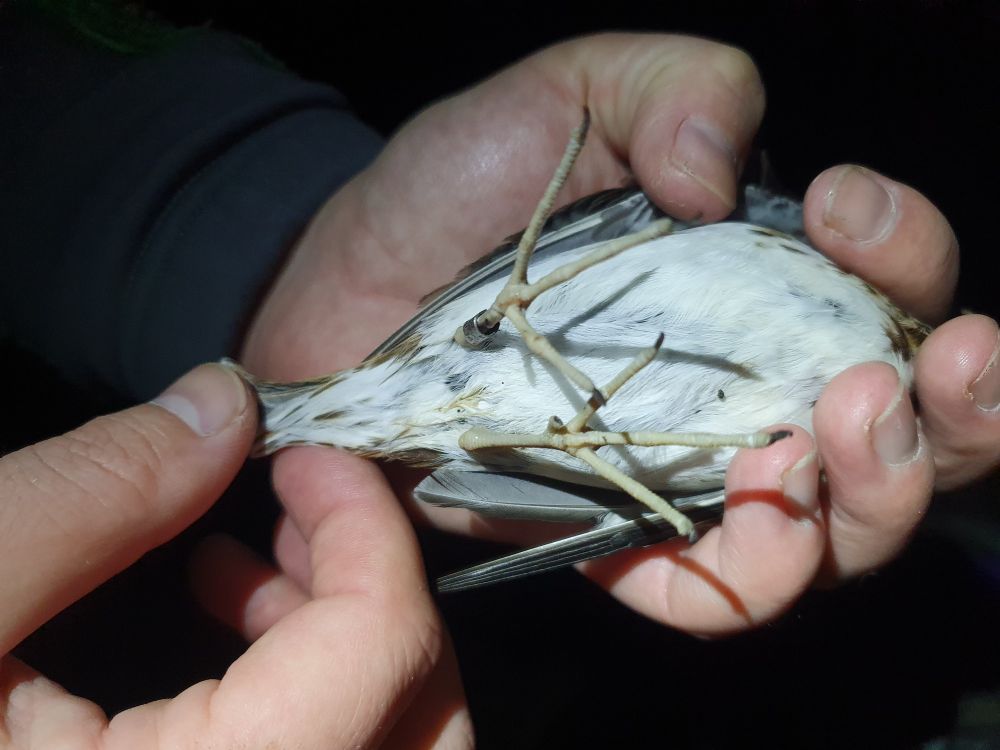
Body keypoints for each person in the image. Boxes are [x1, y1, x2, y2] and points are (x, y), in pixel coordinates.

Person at [3, 3, 999, 746]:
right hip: (509, 323)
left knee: (680, 490)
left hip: (552, 413)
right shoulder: (814, 249)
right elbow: (623, 226)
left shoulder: (859, 391)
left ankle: (320, 414)